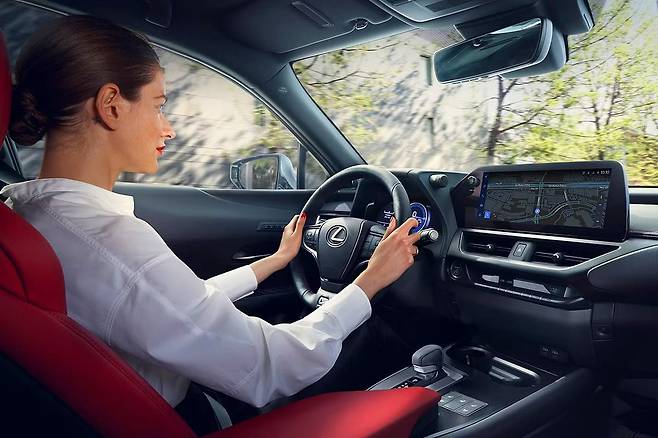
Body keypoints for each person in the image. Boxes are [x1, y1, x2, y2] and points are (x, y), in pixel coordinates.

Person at [1, 15, 421, 433]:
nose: (168, 129)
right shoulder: (106, 240)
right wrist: (369, 281)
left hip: (144, 409)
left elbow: (165, 306)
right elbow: (271, 366)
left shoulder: (28, 218)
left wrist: (273, 262)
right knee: (396, 374)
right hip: (185, 420)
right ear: (111, 105)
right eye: (158, 106)